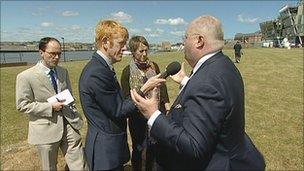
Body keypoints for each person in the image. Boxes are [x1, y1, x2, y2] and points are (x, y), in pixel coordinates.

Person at [130, 15, 266, 170]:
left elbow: (193, 145)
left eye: (185, 37)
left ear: (199, 41)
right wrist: (186, 81)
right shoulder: (223, 64)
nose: (183, 42)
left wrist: (153, 115)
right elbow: (215, 101)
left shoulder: (207, 81)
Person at [78, 20, 165, 171]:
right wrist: (145, 88)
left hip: (110, 148)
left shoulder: (102, 67)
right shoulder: (97, 72)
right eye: (120, 43)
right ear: (105, 42)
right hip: (105, 152)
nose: (124, 49)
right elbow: (118, 109)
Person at [16, 37, 87, 171]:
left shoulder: (63, 71)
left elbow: (69, 96)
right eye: (52, 54)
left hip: (69, 123)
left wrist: (72, 108)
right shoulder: (25, 76)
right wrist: (49, 107)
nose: (56, 57)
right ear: (41, 52)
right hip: (45, 129)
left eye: (59, 54)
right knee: (49, 166)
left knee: (80, 164)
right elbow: (22, 104)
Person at [121, 36, 170, 171]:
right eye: (140, 51)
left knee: (155, 145)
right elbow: (126, 97)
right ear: (133, 52)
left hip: (156, 112)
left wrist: (167, 106)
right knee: (138, 148)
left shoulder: (154, 66)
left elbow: (162, 87)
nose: (144, 54)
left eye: (146, 51)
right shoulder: (127, 71)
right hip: (137, 116)